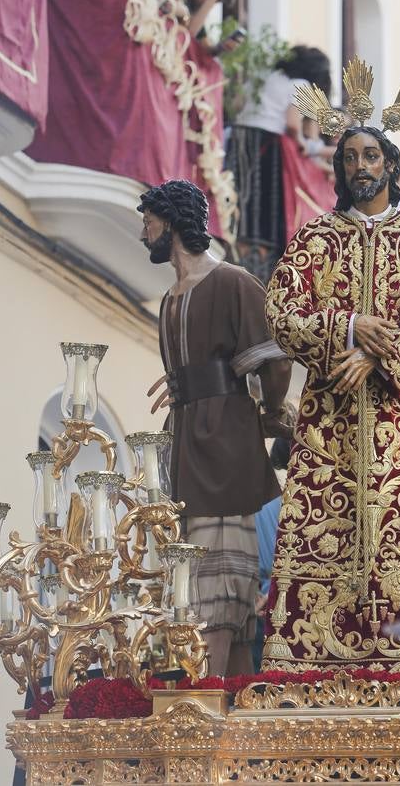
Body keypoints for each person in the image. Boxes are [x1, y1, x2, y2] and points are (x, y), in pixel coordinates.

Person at [260, 68, 400, 672]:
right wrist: (345, 329)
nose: (359, 166)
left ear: (391, 163)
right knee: (325, 545)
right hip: (331, 429)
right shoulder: (316, 237)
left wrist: (380, 348)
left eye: (371, 155)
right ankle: (312, 663)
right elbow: (279, 312)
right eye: (349, 157)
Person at [138, 179, 293, 677]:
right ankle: (227, 704)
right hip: (189, 444)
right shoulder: (170, 298)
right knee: (198, 579)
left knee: (222, 588)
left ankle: (211, 705)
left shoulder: (232, 281)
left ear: (175, 223)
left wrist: (270, 412)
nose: (143, 233)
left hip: (223, 445)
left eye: (149, 221)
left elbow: (274, 360)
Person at [225, 45, 332, 281]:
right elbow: (293, 123)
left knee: (242, 189)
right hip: (268, 141)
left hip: (241, 135)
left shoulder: (265, 75)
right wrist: (301, 142)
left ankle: (234, 233)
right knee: (263, 198)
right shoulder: (300, 85)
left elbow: (237, 103)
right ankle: (258, 246)